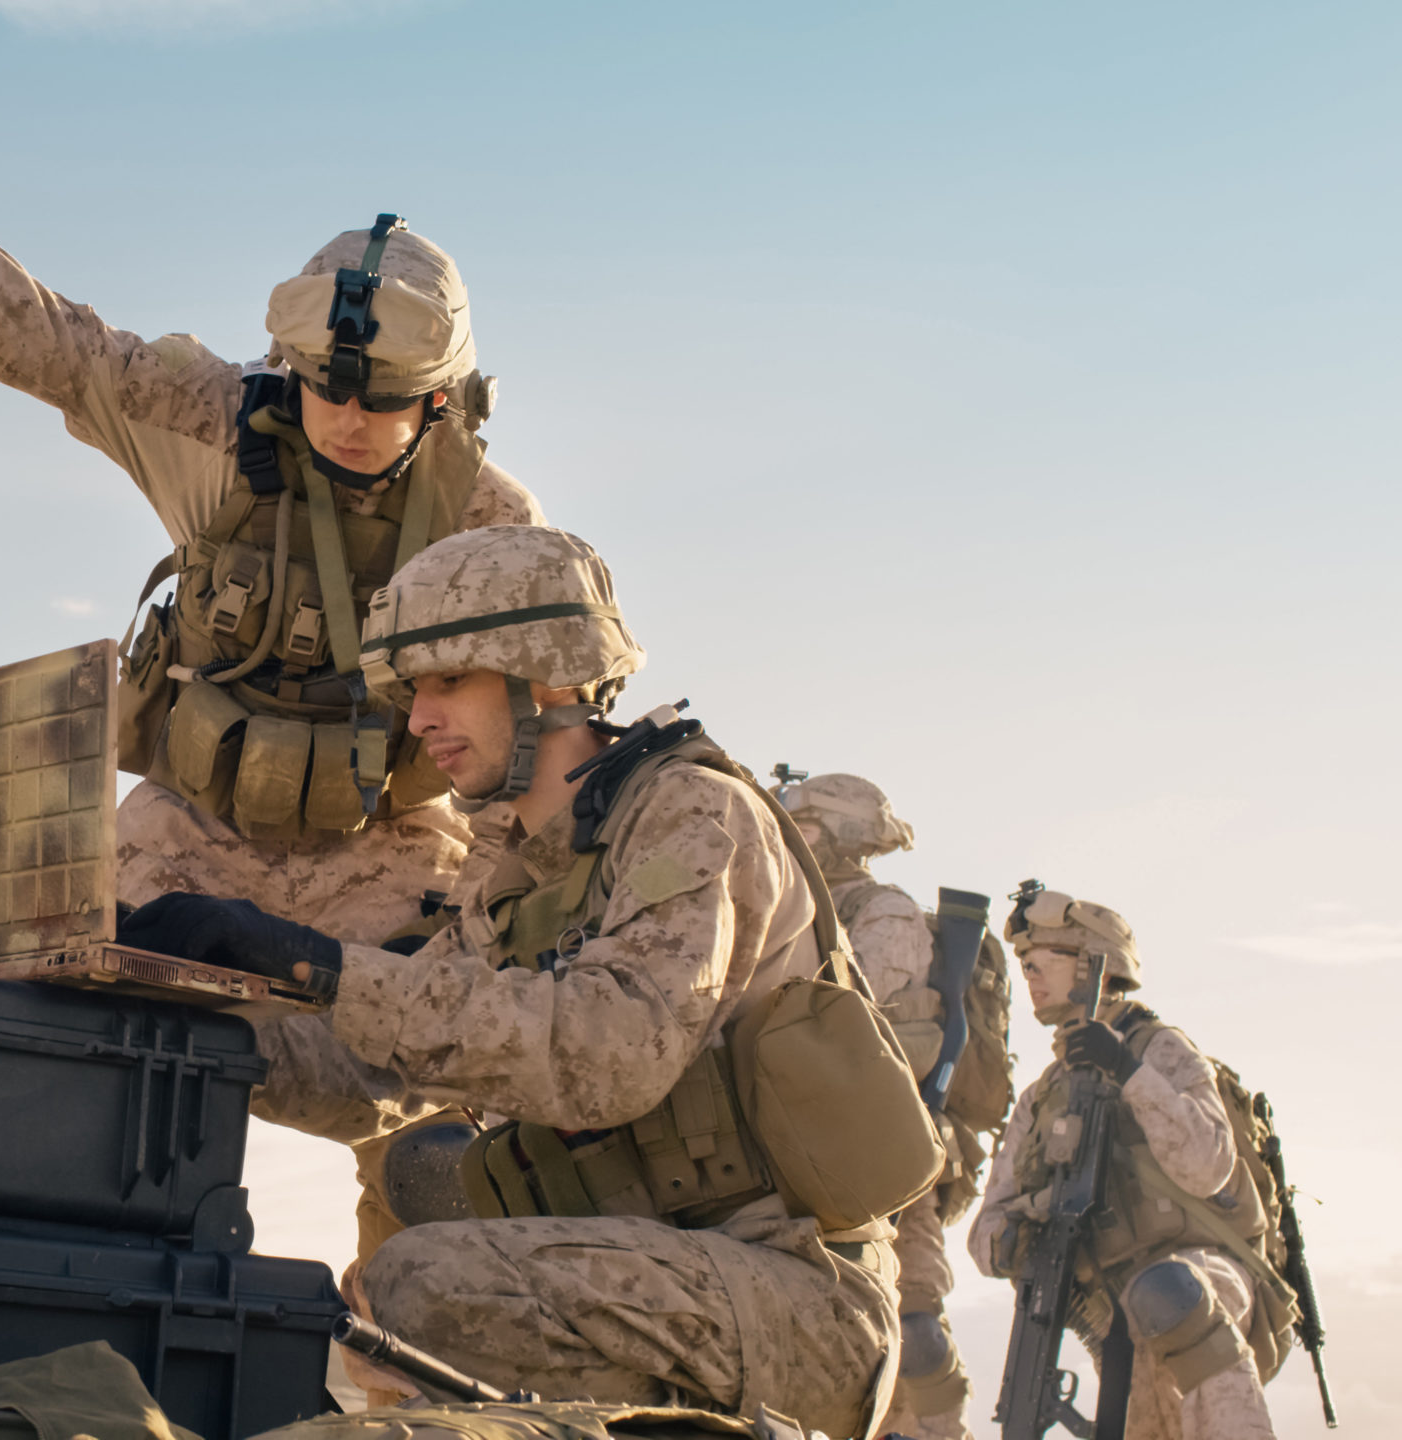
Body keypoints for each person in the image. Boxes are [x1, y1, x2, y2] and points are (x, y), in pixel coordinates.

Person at [0, 62, 546, 1374]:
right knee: (20, 1024)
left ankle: (403, 1379)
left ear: (440, 400)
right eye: (324, 387)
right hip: (193, 826)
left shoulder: (496, 530)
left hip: (382, 847)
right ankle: (12, 1331)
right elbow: (46, 335)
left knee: (443, 1113)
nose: (347, 416)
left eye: (382, 401)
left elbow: (538, 760)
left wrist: (497, 927)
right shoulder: (214, 424)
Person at [118, 524, 923, 1437]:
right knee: (380, 1294)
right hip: (670, 1272)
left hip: (793, 1295)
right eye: (411, 690)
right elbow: (372, 1084)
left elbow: (610, 1053)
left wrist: (321, 962)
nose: (417, 720)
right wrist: (192, 1009)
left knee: (420, 1283)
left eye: (447, 682)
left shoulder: (693, 812)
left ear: (546, 675)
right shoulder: (514, 876)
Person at [971, 890, 1289, 1440]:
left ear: (1093, 963)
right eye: (1024, 965)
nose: (1030, 976)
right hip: (1113, 1315)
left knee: (1166, 1291)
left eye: (1042, 959)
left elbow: (1207, 1165)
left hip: (1203, 1280)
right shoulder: (1041, 1097)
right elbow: (985, 1240)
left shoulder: (1160, 1050)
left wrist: (1125, 1069)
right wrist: (1037, 1218)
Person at [778, 773, 1005, 1440]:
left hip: (889, 1156)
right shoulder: (796, 905)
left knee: (913, 1328)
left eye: (808, 825)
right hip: (808, 1152)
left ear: (845, 836)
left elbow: (857, 1023)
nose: (794, 836)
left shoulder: (885, 913)